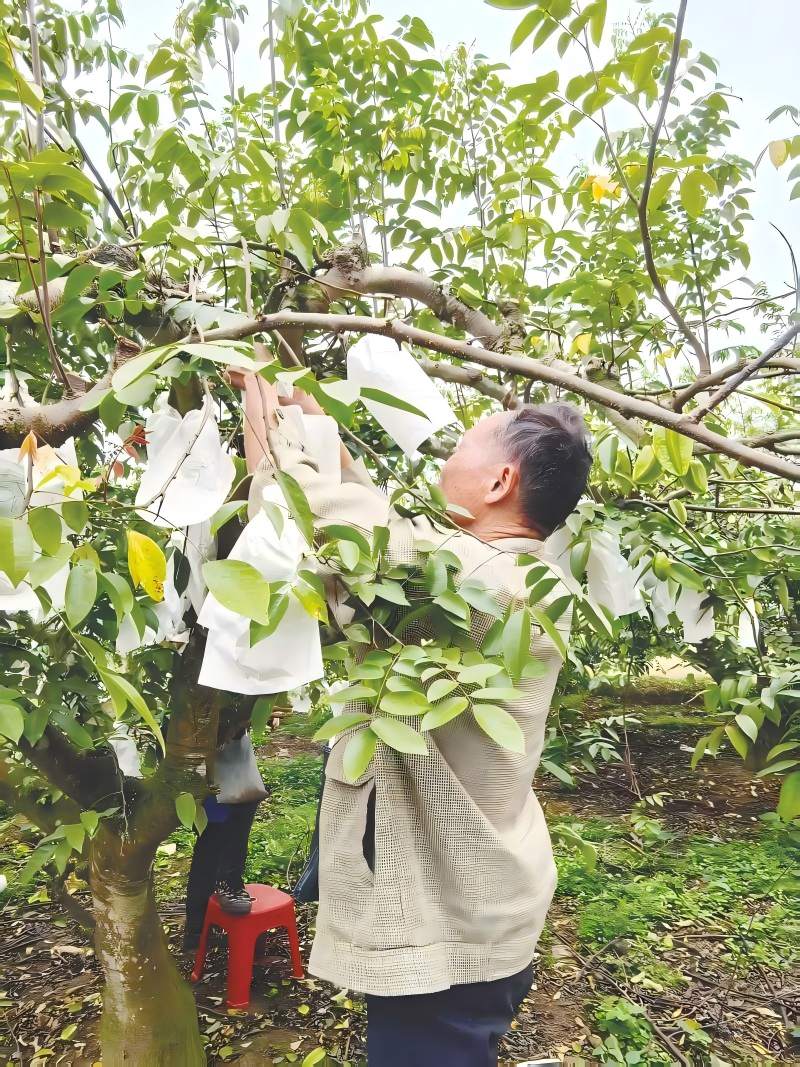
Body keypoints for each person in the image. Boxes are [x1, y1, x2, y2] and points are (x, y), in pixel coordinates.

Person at [230, 366, 592, 1067]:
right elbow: (379, 533)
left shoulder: (477, 583)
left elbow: (336, 526)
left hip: (451, 937)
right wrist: (312, 416)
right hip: (483, 909)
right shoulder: (509, 576)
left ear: (500, 482)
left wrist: (264, 416)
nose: (447, 459)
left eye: (463, 446)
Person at [182, 725, 268, 953]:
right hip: (218, 782)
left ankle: (199, 930)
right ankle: (199, 928)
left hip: (230, 777)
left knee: (219, 847)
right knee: (213, 848)